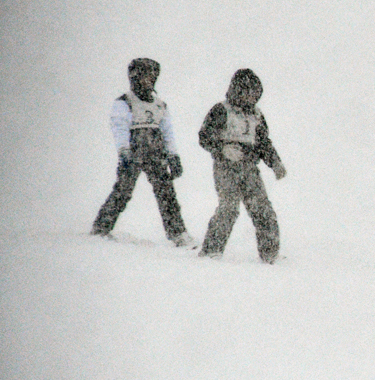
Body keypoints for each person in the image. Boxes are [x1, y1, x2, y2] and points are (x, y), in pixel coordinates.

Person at [91, 58, 197, 247]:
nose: (149, 80)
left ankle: (178, 233)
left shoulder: (159, 105)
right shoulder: (125, 102)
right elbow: (120, 127)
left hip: (156, 151)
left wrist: (173, 156)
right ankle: (101, 227)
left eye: (153, 76)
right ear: (135, 77)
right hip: (134, 151)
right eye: (145, 75)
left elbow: (167, 132)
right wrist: (124, 150)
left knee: (166, 192)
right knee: (123, 190)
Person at [197, 69, 287, 263]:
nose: (251, 98)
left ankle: (270, 253)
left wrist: (275, 163)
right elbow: (204, 136)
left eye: (255, 94)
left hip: (250, 169)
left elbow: (263, 143)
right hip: (225, 168)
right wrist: (222, 148)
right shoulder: (222, 110)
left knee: (262, 209)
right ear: (237, 91)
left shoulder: (256, 115)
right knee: (229, 208)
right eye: (247, 92)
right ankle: (211, 250)